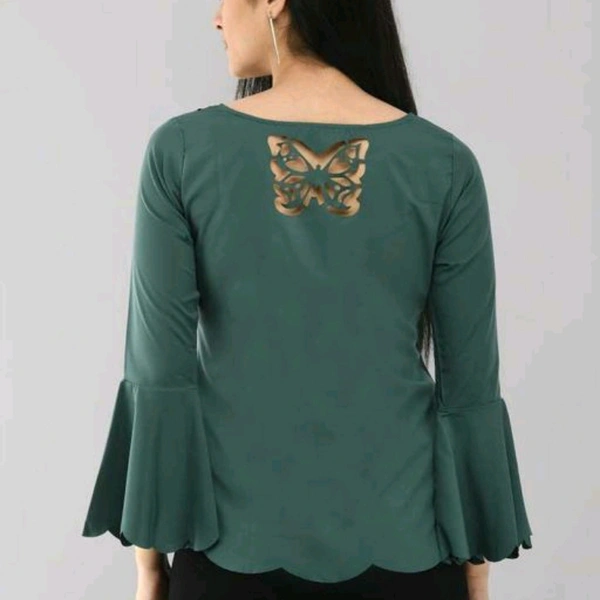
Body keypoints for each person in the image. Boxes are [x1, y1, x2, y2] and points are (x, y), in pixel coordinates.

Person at [81, 1, 534, 599]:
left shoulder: (182, 152)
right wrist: (476, 571)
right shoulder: (446, 164)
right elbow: (470, 386)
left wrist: (149, 564)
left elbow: (159, 376)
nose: (216, 18)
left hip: (229, 554)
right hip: (409, 549)